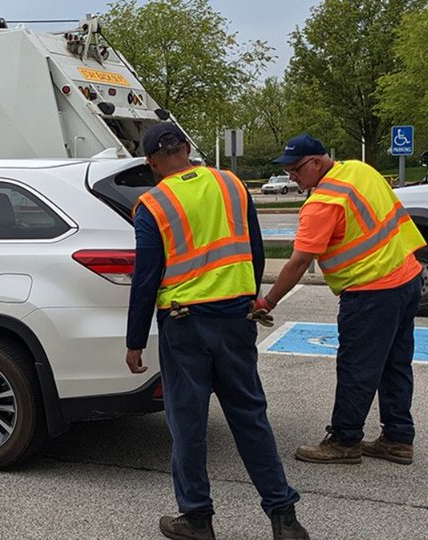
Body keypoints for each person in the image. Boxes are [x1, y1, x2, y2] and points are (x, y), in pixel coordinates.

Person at [125, 123, 308, 540]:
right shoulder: (232, 185)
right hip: (235, 319)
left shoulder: (152, 204)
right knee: (250, 418)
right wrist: (250, 297)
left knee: (187, 425)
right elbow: (255, 250)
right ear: (187, 149)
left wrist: (135, 340)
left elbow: (146, 279)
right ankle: (284, 518)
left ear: (152, 163)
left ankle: (196, 519)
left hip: (185, 324)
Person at [258, 134, 426, 466]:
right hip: (406, 277)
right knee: (395, 363)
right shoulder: (359, 170)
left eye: (295, 169)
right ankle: (398, 438)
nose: (291, 176)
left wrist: (268, 301)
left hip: (371, 291)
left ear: (316, 162)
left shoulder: (323, 202)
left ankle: (345, 440)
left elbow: (298, 262)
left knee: (357, 368)